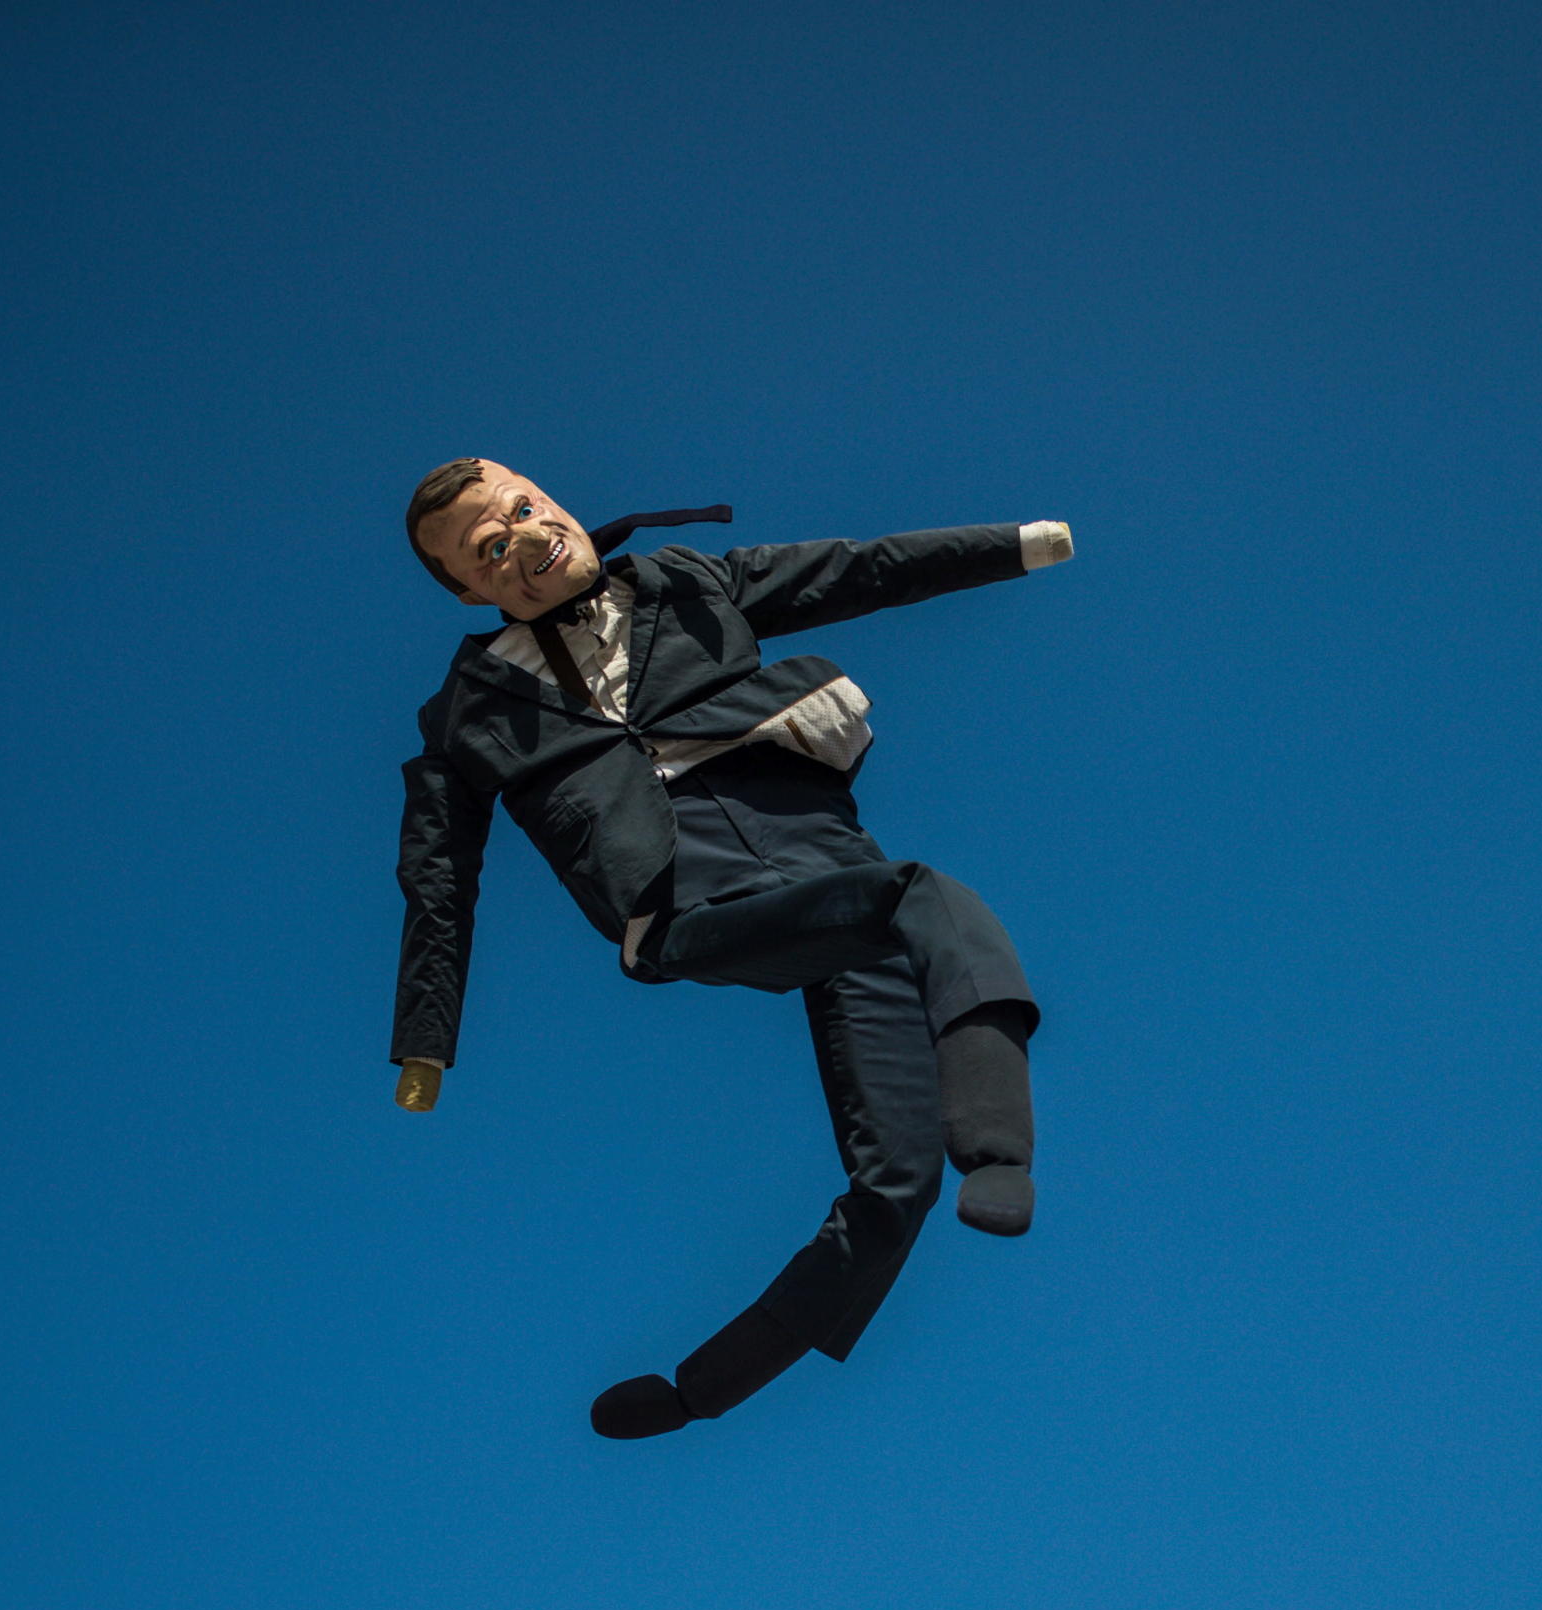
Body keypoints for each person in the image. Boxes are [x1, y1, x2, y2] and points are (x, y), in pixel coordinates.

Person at [390, 459, 1073, 1440]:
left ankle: (699, 1389)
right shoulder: (470, 712)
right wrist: (426, 1040)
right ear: (470, 588)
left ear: (555, 502)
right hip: (685, 901)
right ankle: (1001, 1143)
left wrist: (1019, 543)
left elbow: (861, 567)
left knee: (896, 1183)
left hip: (823, 866)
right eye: (490, 549)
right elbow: (438, 874)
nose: (524, 541)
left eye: (524, 511)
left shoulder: (688, 582)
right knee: (921, 899)